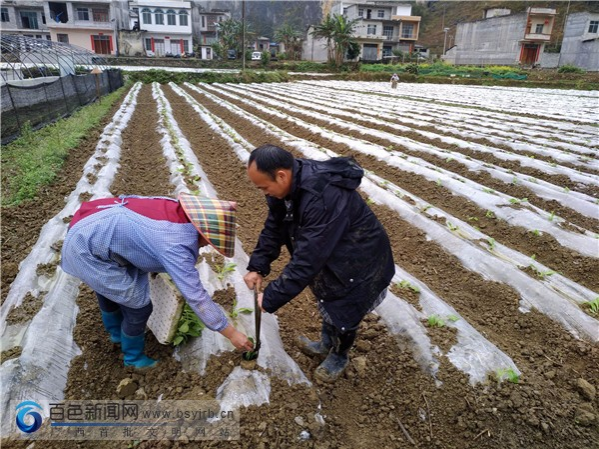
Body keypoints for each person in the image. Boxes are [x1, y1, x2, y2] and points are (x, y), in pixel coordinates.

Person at [244, 145, 395, 382]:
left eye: (264, 187)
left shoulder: (323, 196)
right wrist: (258, 265)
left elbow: (308, 257)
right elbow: (275, 225)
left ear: (281, 175)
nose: (264, 193)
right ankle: (326, 342)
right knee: (329, 298)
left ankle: (339, 355)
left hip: (359, 258)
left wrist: (272, 295)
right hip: (332, 252)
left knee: (345, 308)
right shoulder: (285, 189)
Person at [61, 193, 253, 369]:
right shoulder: (176, 244)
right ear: (203, 233)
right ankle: (133, 358)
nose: (204, 247)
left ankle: (117, 334)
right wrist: (232, 334)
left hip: (91, 227)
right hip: (85, 248)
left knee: (110, 289)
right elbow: (197, 297)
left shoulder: (174, 208)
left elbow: (147, 239)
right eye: (208, 242)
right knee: (139, 306)